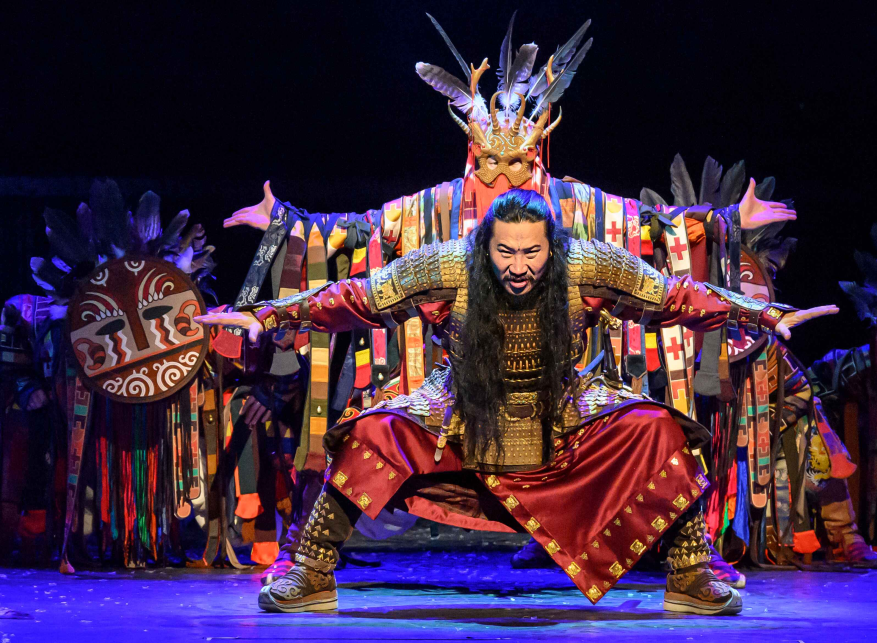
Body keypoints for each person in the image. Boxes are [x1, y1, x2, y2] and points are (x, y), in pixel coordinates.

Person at [199, 189, 837, 615]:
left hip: (565, 413)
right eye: (505, 251)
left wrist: (763, 313)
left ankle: (691, 575)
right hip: (461, 411)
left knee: (659, 429)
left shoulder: (587, 265)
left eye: (532, 252)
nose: (519, 265)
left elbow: (675, 296)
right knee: (371, 432)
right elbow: (357, 298)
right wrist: (269, 315)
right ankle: (312, 570)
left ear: (552, 245)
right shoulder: (447, 266)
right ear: (485, 246)